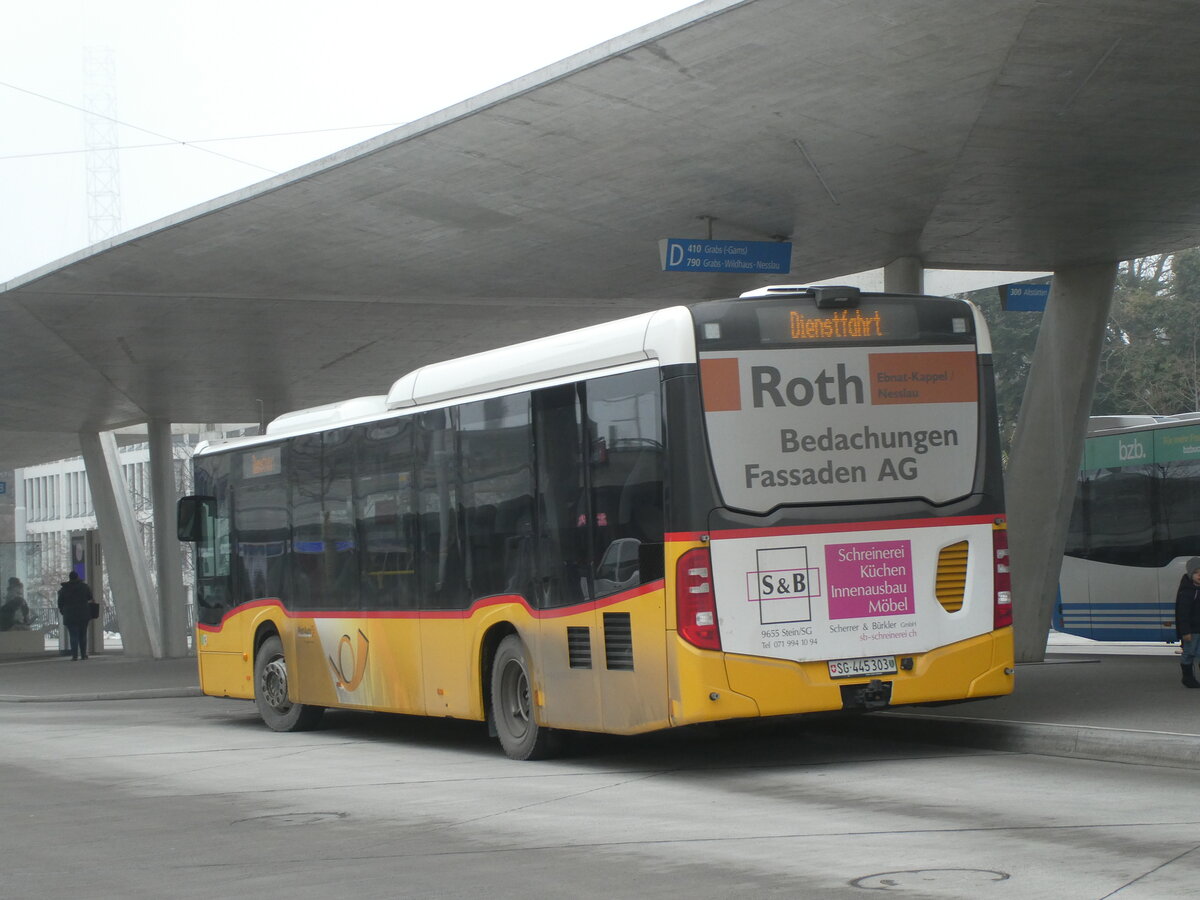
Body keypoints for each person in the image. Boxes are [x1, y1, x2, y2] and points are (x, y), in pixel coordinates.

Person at [57, 572, 94, 661]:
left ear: (69, 578)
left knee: (73, 635)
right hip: (83, 614)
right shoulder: (84, 587)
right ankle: (83, 655)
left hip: (70, 615)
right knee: (83, 635)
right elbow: (90, 597)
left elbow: (60, 603)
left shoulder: (64, 589)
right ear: (77, 577)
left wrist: (63, 611)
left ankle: (74, 656)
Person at [1175, 557, 1200, 688]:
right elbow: (1182, 615)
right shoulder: (1187, 592)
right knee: (1189, 653)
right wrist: (1185, 632)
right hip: (1192, 631)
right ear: (1191, 574)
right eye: (1196, 572)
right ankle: (1188, 677)